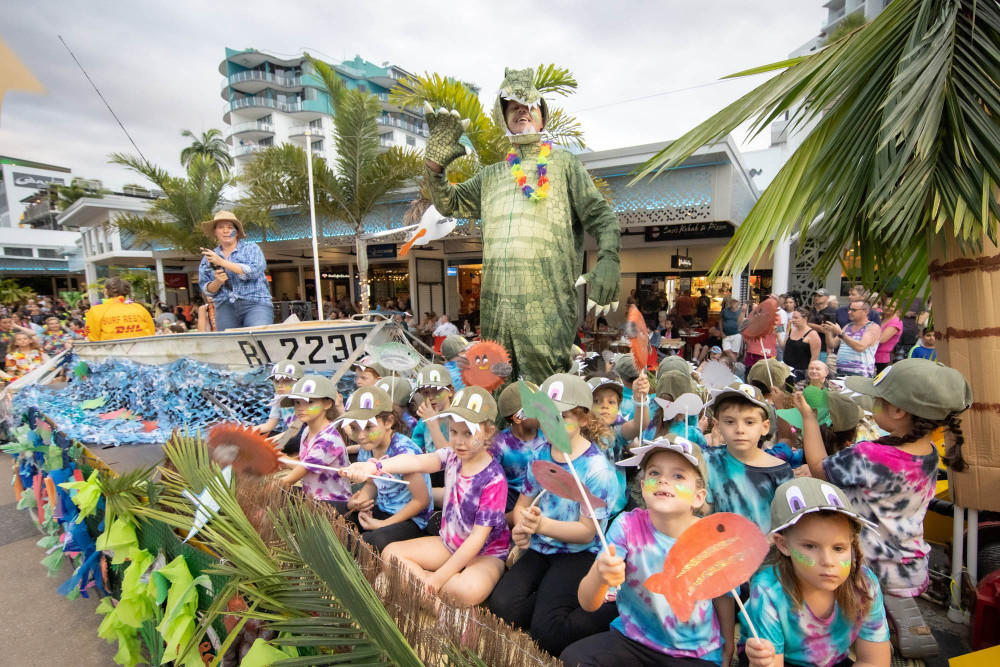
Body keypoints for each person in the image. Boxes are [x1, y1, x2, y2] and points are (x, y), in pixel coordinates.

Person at [425, 67, 621, 383]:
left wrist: (610, 258)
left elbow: (601, 216)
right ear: (504, 117)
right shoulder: (490, 176)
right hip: (496, 319)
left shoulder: (565, 165)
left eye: (529, 106)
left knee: (548, 400)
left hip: (546, 319)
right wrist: (434, 169)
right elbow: (449, 202)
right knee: (499, 393)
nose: (522, 112)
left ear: (543, 117)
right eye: (514, 107)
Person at [795, 358, 971, 659]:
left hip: (865, 564)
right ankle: (894, 621)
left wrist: (809, 419)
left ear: (899, 410)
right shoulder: (929, 454)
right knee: (880, 609)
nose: (873, 404)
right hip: (909, 561)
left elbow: (818, 468)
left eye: (878, 399)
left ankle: (870, 642)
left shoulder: (869, 455)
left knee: (857, 625)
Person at [561, 436, 732, 667]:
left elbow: (724, 596)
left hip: (694, 655)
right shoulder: (626, 526)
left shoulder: (712, 540)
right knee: (574, 659)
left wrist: (728, 644)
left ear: (698, 497)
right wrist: (599, 576)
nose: (663, 480)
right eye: (654, 473)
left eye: (678, 476)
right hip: (634, 641)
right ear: (642, 487)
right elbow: (588, 603)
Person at [342, 386, 510, 608]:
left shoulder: (494, 479)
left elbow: (477, 539)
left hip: (486, 552)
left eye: (468, 433)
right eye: (453, 432)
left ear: (488, 432)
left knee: (468, 590)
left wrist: (438, 578)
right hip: (449, 543)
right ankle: (438, 605)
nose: (459, 442)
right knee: (391, 553)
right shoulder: (451, 456)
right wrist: (375, 467)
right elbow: (416, 462)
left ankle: (414, 587)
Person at [490, 374, 621, 655]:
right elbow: (523, 506)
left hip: (578, 553)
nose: (552, 423)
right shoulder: (539, 455)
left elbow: (587, 531)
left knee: (548, 636)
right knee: (502, 609)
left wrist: (541, 525)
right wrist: (521, 527)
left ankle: (613, 604)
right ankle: (549, 598)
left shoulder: (597, 470)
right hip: (540, 547)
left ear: (584, 419)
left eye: (563, 417)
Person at [743, 478, 890, 667]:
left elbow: (874, 661)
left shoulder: (864, 584)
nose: (828, 562)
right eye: (810, 546)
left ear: (851, 543)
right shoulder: (768, 591)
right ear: (784, 544)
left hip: (833, 661)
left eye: (838, 548)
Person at [337, 386, 433, 552]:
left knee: (366, 543)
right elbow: (374, 483)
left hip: (412, 520)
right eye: (354, 428)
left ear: (388, 422)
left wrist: (382, 524)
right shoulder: (367, 448)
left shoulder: (404, 452)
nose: (360, 436)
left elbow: (421, 500)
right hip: (382, 509)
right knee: (333, 515)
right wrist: (361, 501)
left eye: (368, 427)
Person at [703, 384, 794, 532]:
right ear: (717, 425)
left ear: (765, 427)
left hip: (766, 552)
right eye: (730, 422)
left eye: (749, 422)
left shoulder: (780, 472)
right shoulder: (708, 461)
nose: (740, 430)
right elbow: (703, 512)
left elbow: (788, 523)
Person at [277, 376, 351, 511]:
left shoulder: (328, 440)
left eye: (309, 402)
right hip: (312, 497)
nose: (301, 408)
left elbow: (294, 476)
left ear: (327, 404)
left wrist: (278, 458)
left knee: (274, 492)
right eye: (297, 403)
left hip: (332, 503)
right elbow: (306, 467)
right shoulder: (307, 431)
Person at [198, 211, 274, 331]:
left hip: (255, 302)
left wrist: (222, 262)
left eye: (230, 227)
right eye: (220, 227)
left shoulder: (251, 248)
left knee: (259, 336)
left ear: (237, 231)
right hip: (225, 306)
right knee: (230, 344)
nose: (225, 231)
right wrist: (218, 281)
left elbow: (253, 271)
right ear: (215, 231)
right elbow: (206, 289)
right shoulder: (208, 258)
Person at [491, 382, 546, 516]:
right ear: (517, 418)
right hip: (512, 496)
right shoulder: (499, 444)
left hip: (542, 491)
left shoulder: (546, 435)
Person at [84, 277, 156, 341]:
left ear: (105, 291)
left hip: (110, 353)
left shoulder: (96, 311)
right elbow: (152, 332)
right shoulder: (139, 308)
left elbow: (93, 339)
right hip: (143, 350)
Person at [822, 300, 881, 378]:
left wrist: (840, 333)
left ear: (866, 312)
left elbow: (860, 347)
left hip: (860, 375)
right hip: (841, 373)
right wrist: (828, 332)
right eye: (849, 309)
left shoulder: (872, 327)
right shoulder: (848, 326)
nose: (849, 312)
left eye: (853, 310)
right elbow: (832, 345)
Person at [781, 308, 821, 381]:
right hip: (787, 369)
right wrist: (777, 336)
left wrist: (810, 372)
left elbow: (815, 356)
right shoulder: (791, 331)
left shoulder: (812, 334)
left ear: (805, 319)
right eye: (792, 317)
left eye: (796, 318)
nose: (793, 320)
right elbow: (784, 348)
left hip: (801, 371)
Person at [806, 289, 838, 362]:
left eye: (820, 296)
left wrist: (808, 324)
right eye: (815, 296)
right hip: (808, 345)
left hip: (823, 347)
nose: (816, 298)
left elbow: (828, 330)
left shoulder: (831, 311)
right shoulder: (811, 311)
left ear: (827, 297)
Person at [874, 302, 902, 374]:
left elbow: (882, 339)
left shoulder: (896, 322)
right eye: (887, 305)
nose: (889, 308)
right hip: (872, 354)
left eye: (892, 306)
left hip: (881, 358)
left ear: (898, 309)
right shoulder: (882, 319)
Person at [720, 298, 745, 364]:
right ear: (730, 303)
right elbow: (720, 321)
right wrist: (721, 332)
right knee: (726, 349)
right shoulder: (724, 311)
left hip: (737, 333)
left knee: (734, 352)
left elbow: (742, 321)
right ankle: (736, 364)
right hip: (726, 334)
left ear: (738, 303)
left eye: (735, 302)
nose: (733, 304)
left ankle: (732, 366)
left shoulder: (740, 311)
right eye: (732, 302)